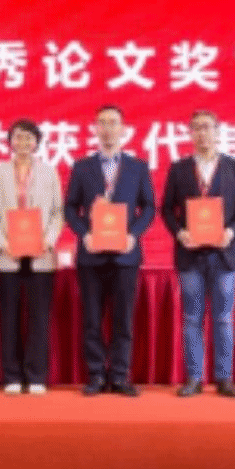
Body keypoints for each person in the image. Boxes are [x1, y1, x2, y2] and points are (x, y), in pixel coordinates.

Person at [160, 110, 235, 398]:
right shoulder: (179, 169)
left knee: (223, 318)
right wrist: (179, 232)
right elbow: (166, 209)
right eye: (197, 128)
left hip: (225, 255)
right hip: (190, 255)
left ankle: (224, 378)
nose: (202, 133)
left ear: (217, 131)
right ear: (190, 133)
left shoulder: (234, 167)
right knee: (192, 318)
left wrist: (232, 231)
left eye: (207, 128)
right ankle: (194, 377)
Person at [64, 104, 156, 397]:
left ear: (123, 129)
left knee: (122, 319)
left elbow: (149, 207)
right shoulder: (82, 167)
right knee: (91, 319)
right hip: (91, 255)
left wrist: (133, 234)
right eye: (102, 122)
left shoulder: (138, 167)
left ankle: (119, 375)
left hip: (125, 255)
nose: (107, 128)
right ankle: (95, 375)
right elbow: (70, 208)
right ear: (95, 129)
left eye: (113, 122)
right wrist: (84, 234)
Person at [0, 119, 64, 395]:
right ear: (10, 141)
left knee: (39, 318)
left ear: (36, 143)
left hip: (41, 256)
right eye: (18, 137)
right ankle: (11, 376)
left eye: (29, 138)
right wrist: (2, 243)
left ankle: (37, 375)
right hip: (8, 255)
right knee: (9, 318)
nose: (23, 143)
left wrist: (48, 240)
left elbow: (57, 213)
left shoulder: (49, 172)